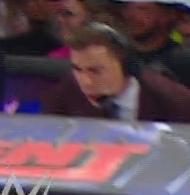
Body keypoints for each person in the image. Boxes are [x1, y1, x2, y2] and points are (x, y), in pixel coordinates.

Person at [44, 21, 190, 123]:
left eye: (95, 71)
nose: (85, 82)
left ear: (126, 64)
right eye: (77, 69)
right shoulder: (67, 91)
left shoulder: (176, 101)